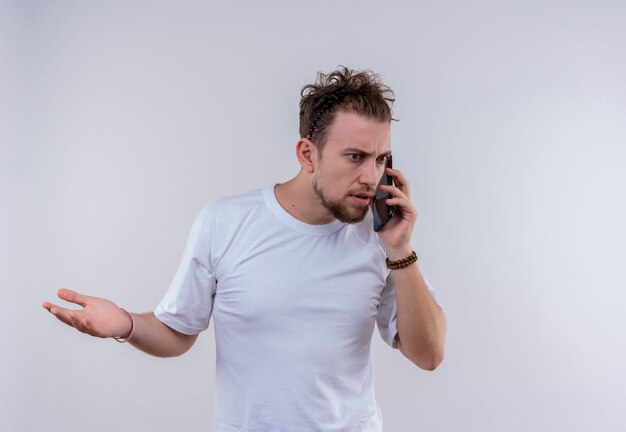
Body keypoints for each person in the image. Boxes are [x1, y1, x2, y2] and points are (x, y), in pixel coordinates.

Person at [43, 66, 447, 431]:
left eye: (380, 159)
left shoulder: (380, 239)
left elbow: (428, 355)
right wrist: (126, 324)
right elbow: (177, 331)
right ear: (308, 154)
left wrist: (399, 248)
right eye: (355, 157)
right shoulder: (224, 222)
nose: (370, 176)